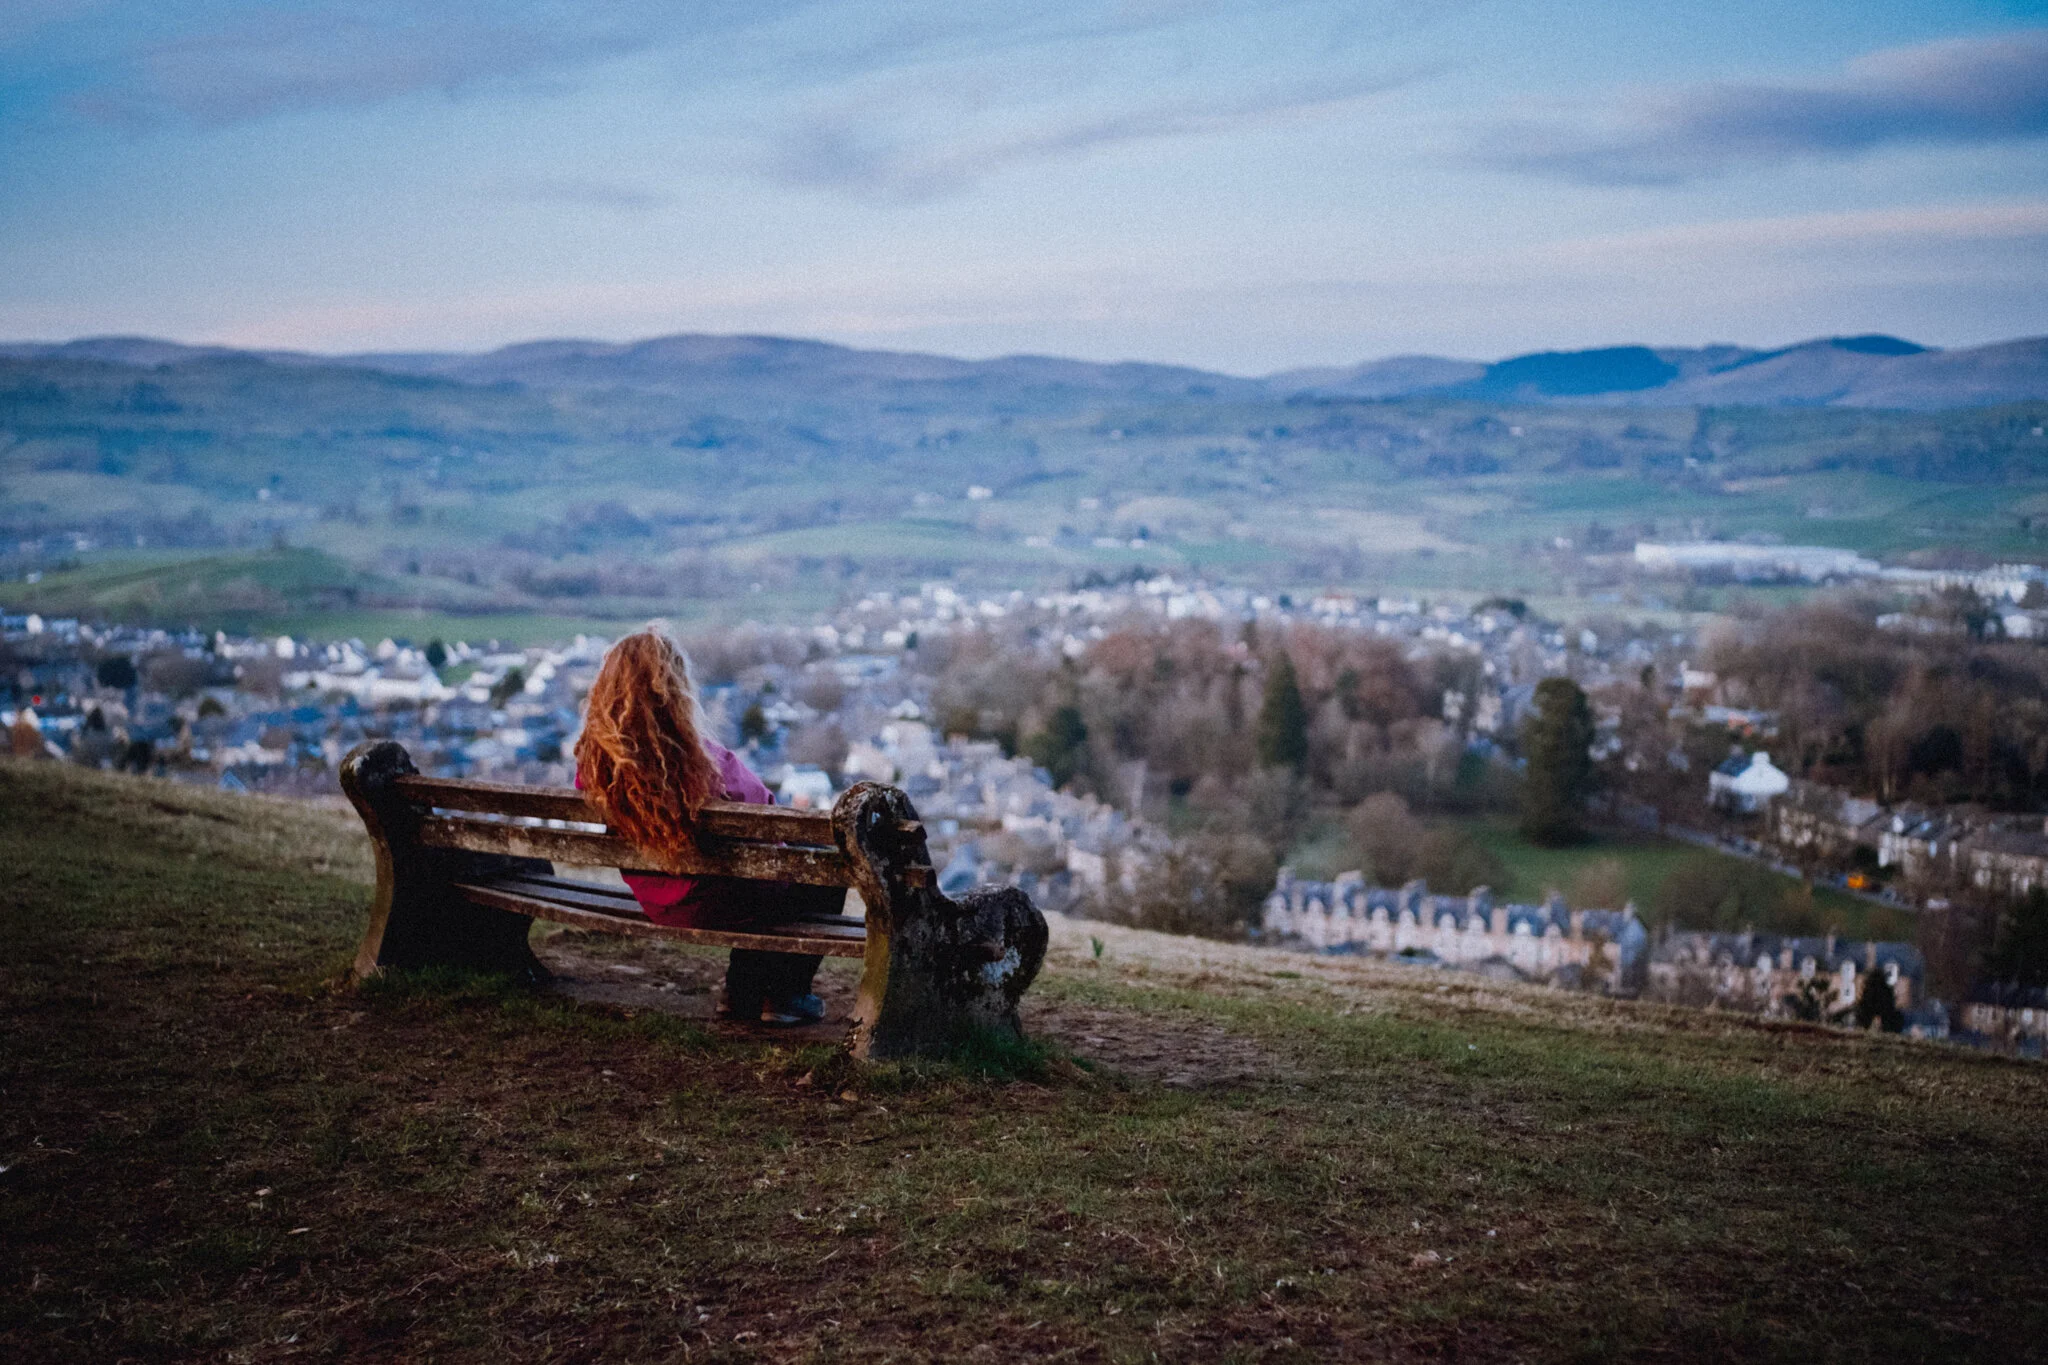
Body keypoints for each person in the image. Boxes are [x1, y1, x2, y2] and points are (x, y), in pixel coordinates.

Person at [574, 630, 834, 1026]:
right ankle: (782, 994)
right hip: (716, 900)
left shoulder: (596, 768)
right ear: (675, 687)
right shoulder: (702, 763)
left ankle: (740, 993)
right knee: (822, 867)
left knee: (757, 879)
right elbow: (764, 809)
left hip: (658, 900)